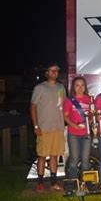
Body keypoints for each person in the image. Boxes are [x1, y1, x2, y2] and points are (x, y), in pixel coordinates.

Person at [30, 63, 67, 192]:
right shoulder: (40, 88)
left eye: (56, 71)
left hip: (58, 127)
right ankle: (40, 182)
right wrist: (35, 125)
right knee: (42, 155)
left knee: (54, 156)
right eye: (52, 71)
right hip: (44, 127)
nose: (54, 73)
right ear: (47, 73)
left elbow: (64, 106)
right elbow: (33, 107)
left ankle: (53, 183)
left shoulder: (61, 87)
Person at [63, 76, 92, 179]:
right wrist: (74, 125)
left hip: (86, 133)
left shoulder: (90, 99)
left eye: (82, 85)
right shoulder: (69, 100)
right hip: (73, 134)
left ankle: (85, 183)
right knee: (74, 159)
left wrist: (91, 122)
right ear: (73, 87)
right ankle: (73, 182)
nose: (80, 88)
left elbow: (93, 115)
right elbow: (65, 116)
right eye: (77, 85)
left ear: (85, 87)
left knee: (85, 160)